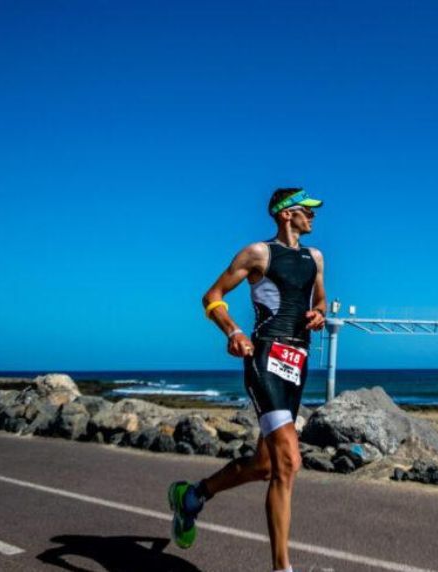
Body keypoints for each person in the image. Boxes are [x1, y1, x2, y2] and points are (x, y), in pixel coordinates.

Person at [169, 187, 326, 572]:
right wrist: (233, 332)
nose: (314, 216)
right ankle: (281, 568)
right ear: (286, 214)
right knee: (289, 461)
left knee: (265, 467)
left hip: (297, 364)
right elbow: (212, 296)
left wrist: (319, 313)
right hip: (265, 359)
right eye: (307, 210)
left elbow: (319, 299)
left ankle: (194, 496)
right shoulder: (258, 253)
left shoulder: (315, 258)